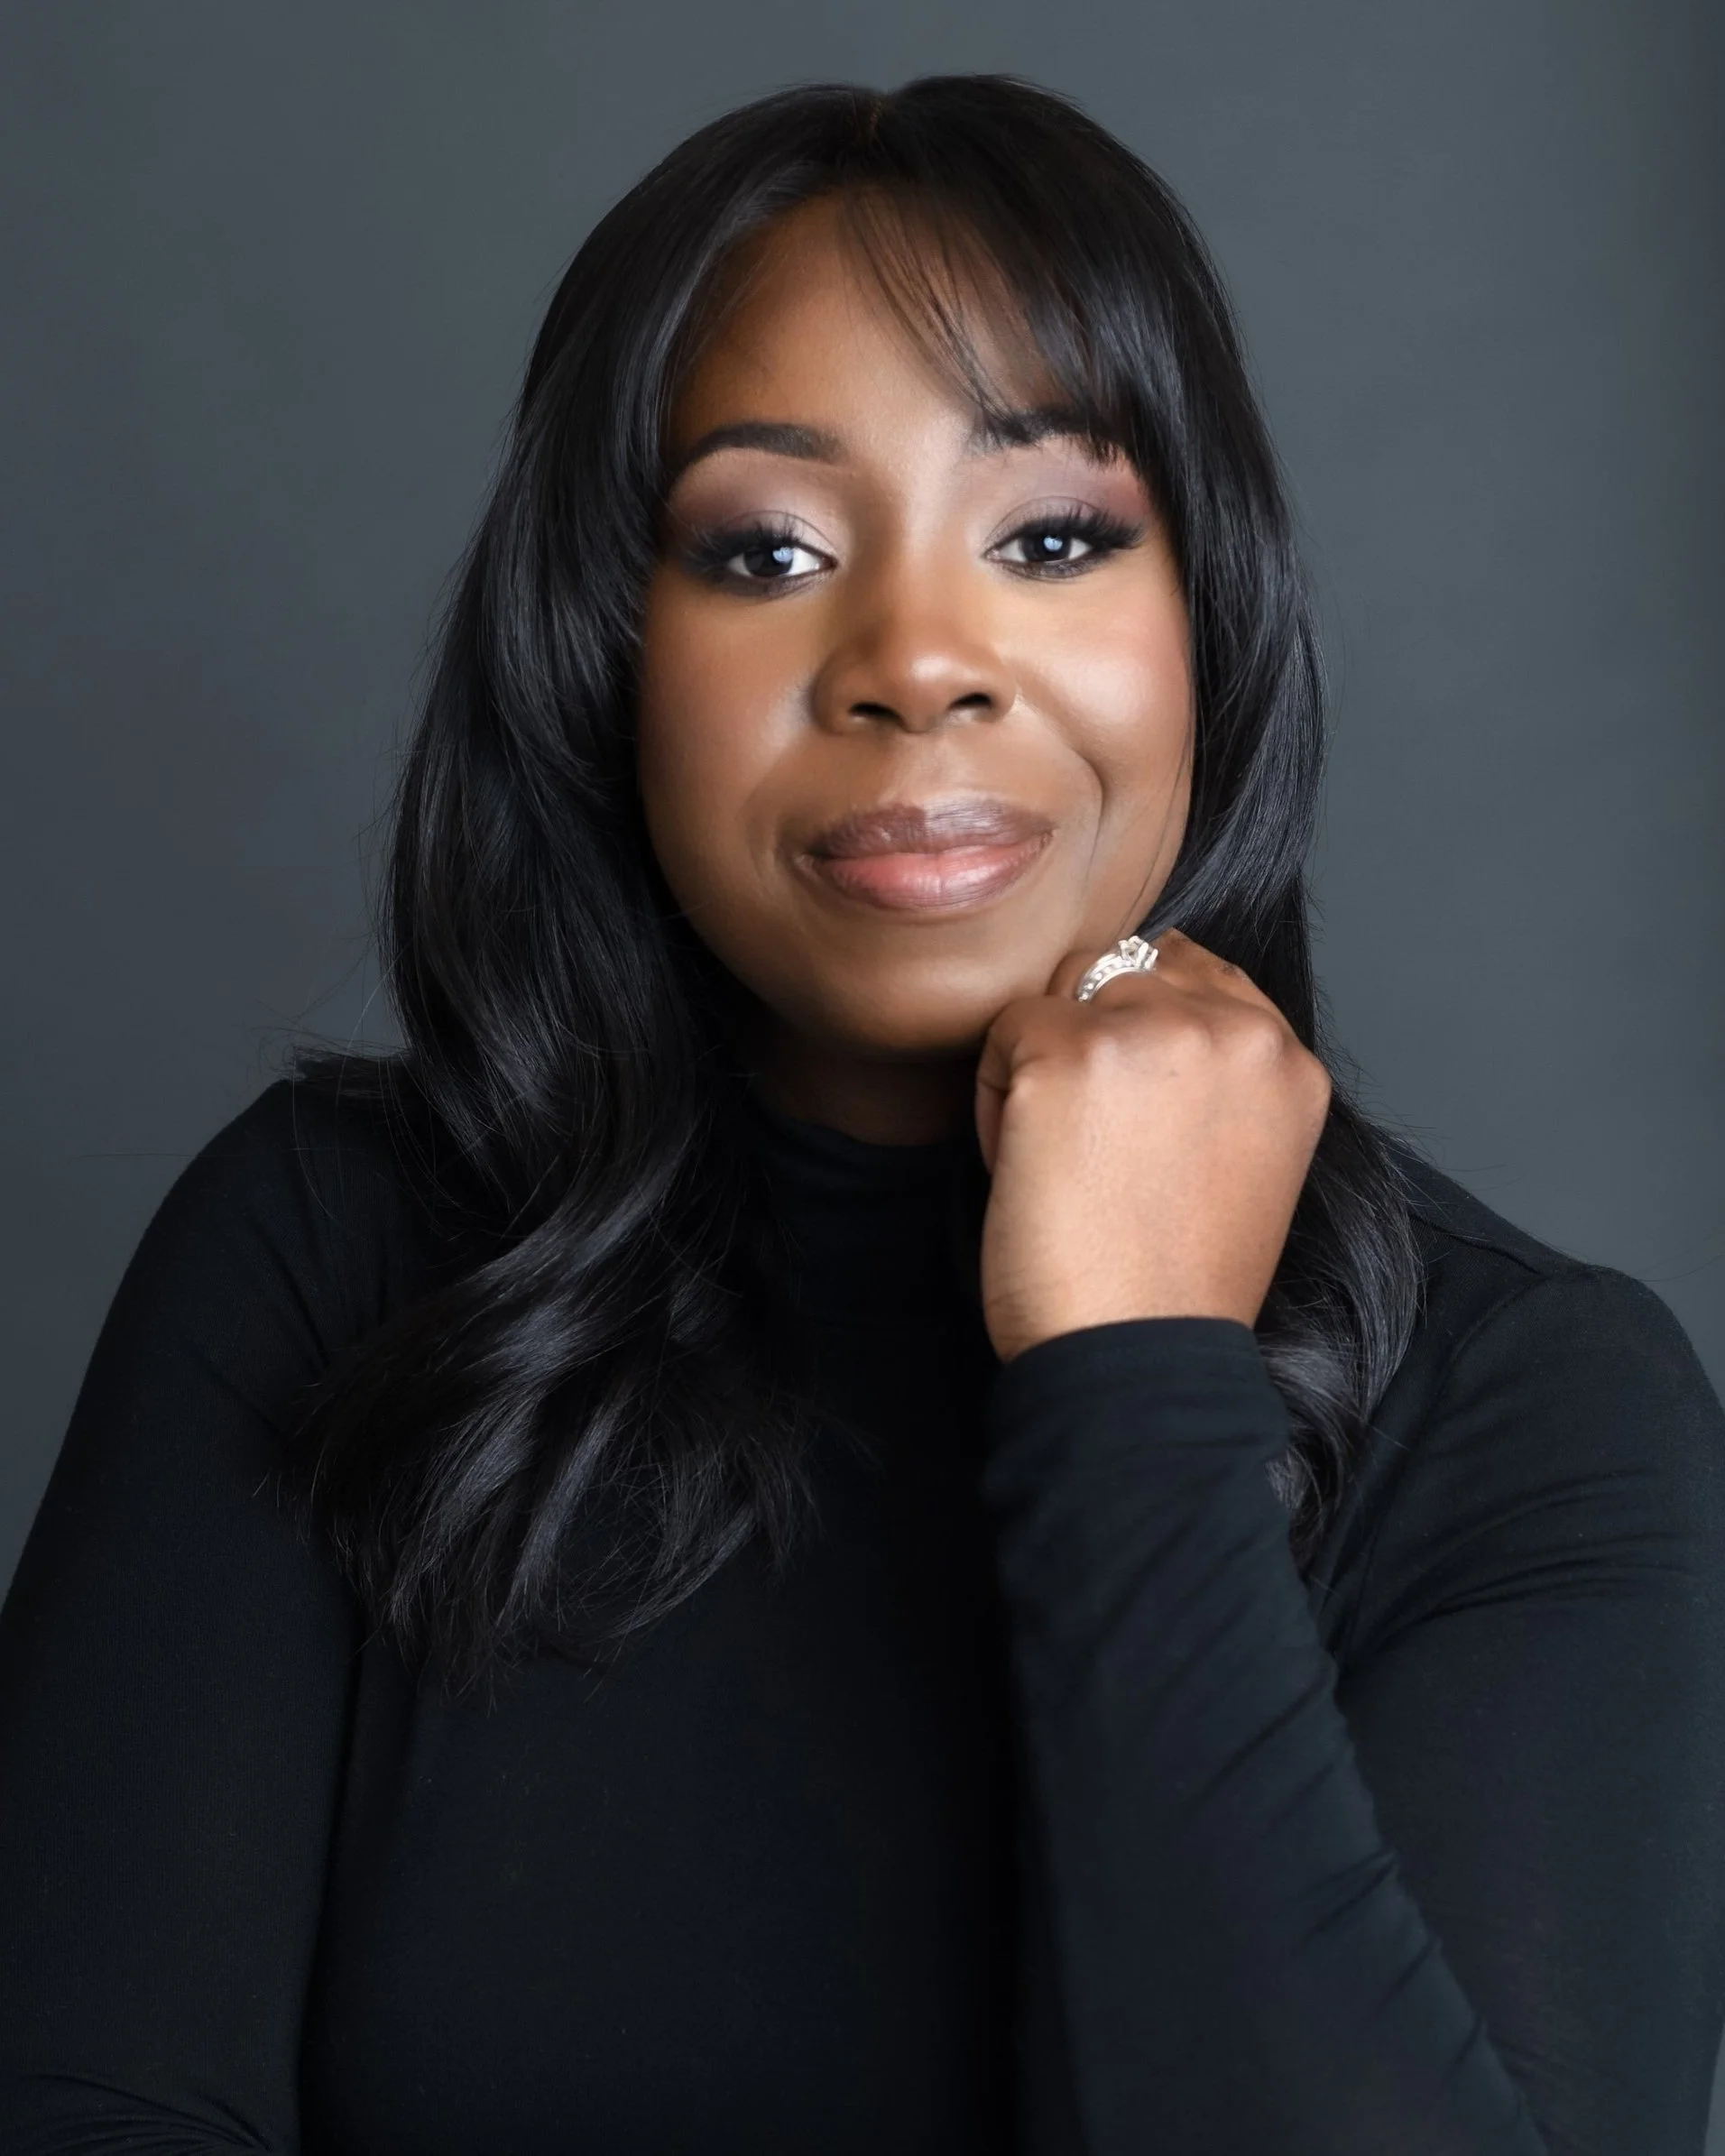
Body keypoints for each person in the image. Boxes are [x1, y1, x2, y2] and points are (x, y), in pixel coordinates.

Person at [1, 74, 1720, 2156]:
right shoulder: (324, 1259)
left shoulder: (1535, 1411)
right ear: (605, 653)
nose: (912, 659)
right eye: (768, 548)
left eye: (1054, 536)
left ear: (1211, 627)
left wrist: (1133, 1379)